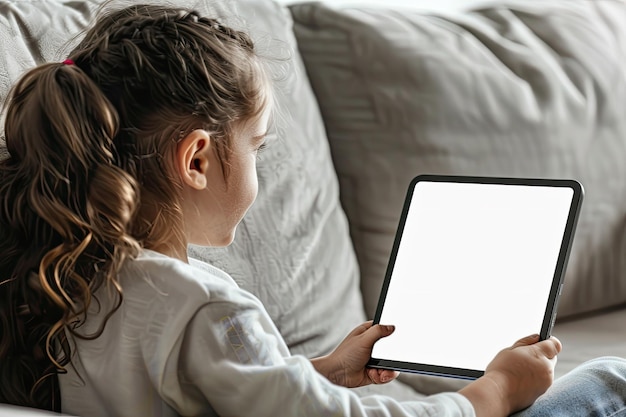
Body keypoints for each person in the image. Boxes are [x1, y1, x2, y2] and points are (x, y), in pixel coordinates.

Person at [0, 3, 624, 417]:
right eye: (257, 149)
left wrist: (320, 371)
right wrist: (494, 391)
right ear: (196, 160)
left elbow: (218, 395)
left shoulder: (73, 277)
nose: (261, 170)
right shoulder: (201, 306)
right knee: (607, 383)